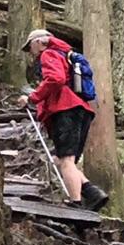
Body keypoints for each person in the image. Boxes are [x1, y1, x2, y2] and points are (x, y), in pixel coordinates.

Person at [15, 28, 107, 210]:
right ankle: (92, 192)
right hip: (80, 110)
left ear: (38, 42)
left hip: (65, 110)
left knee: (65, 160)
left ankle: (76, 204)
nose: (30, 52)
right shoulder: (64, 54)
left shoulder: (48, 54)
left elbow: (55, 79)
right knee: (64, 160)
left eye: (30, 46)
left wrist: (32, 98)